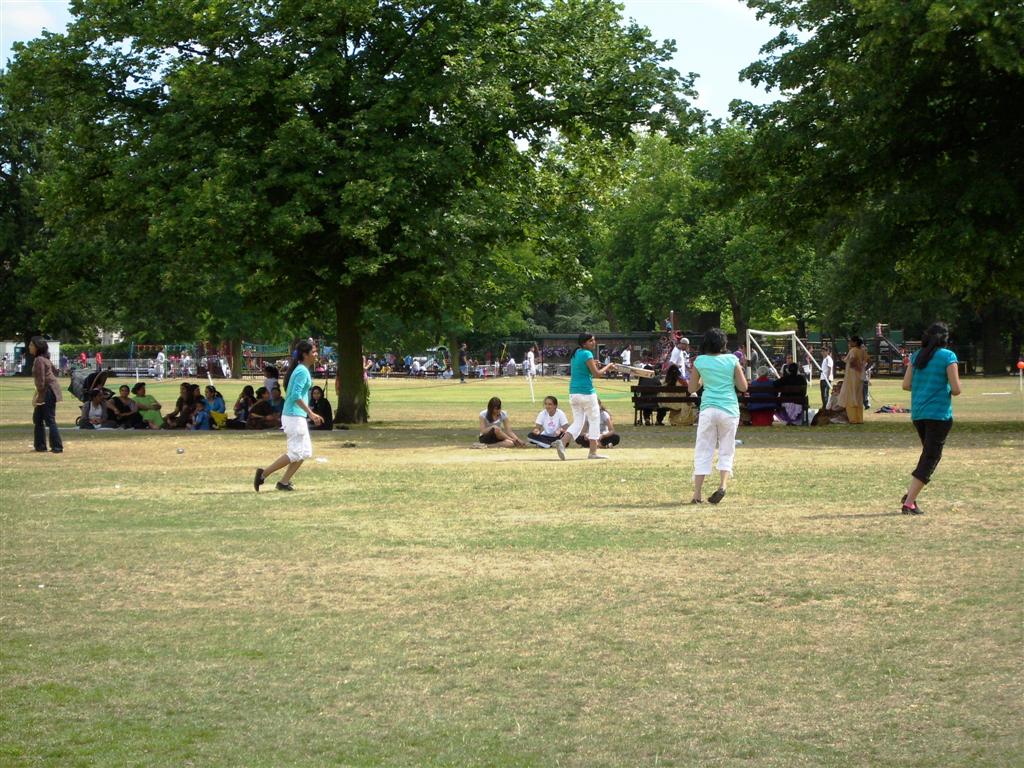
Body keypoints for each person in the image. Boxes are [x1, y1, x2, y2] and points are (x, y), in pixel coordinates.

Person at [900, 322, 961, 515]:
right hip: (939, 415)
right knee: (931, 457)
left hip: (919, 414)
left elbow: (906, 384)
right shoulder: (948, 356)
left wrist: (924, 387)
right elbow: (956, 388)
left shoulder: (916, 356)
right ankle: (909, 502)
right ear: (945, 339)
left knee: (927, 454)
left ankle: (910, 495)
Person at [254, 341, 323, 492]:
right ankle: (263, 474)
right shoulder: (302, 371)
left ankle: (283, 482)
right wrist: (311, 413)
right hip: (293, 416)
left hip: (296, 415)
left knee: (305, 452)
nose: (316, 354)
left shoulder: (301, 369)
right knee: (295, 453)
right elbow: (295, 395)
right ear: (305, 354)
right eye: (314, 351)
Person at [690, 328, 748, 504]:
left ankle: (697, 493)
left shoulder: (700, 361)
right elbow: (743, 387)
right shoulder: (732, 359)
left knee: (703, 448)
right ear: (723, 343)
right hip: (729, 409)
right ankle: (722, 485)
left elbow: (692, 388)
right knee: (726, 447)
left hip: (708, 409)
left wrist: (702, 379)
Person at [555, 333, 616, 459]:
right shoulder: (588, 354)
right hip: (587, 393)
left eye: (593, 340)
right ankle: (593, 452)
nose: (593, 342)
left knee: (578, 422)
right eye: (590, 341)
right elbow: (597, 374)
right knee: (594, 421)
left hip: (573, 393)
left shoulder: (576, 353)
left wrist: (594, 363)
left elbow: (584, 368)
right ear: (583, 343)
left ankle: (562, 442)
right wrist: (608, 366)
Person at [30, 337, 64, 453]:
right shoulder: (45, 359)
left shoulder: (39, 359)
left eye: (31, 345)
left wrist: (37, 397)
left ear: (37, 347)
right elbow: (55, 372)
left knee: (49, 419)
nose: (29, 347)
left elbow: (41, 381)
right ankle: (40, 446)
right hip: (48, 389)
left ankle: (57, 447)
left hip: (47, 391)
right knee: (38, 418)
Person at [836, 336, 868, 424]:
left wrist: (856, 367)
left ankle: (853, 419)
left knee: (851, 397)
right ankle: (859, 419)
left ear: (855, 342)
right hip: (860, 378)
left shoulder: (853, 350)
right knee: (858, 397)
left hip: (852, 377)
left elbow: (852, 361)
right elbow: (868, 361)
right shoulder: (863, 351)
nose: (849, 343)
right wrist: (861, 369)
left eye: (851, 341)